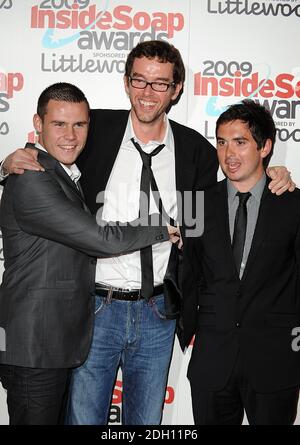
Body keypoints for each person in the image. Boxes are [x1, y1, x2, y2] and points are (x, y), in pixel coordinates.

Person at [1, 41, 294, 425]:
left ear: (176, 90)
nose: (147, 92)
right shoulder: (93, 130)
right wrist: (7, 161)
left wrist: (276, 174)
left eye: (160, 84)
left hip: (159, 313)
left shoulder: (197, 151)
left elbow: (220, 211)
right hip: (94, 310)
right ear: (126, 83)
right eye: (139, 80)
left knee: (146, 422)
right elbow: (51, 152)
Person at [0, 82, 175, 425]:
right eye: (58, 124)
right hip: (35, 346)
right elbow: (99, 239)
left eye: (79, 124)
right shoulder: (32, 178)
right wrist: (162, 228)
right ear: (38, 124)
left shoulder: (61, 174)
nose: (70, 135)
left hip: (57, 345)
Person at [181, 99, 300, 425]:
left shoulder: (294, 204)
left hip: (275, 360)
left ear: (265, 147)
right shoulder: (195, 203)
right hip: (212, 358)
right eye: (221, 142)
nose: (229, 153)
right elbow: (187, 270)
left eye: (240, 142)